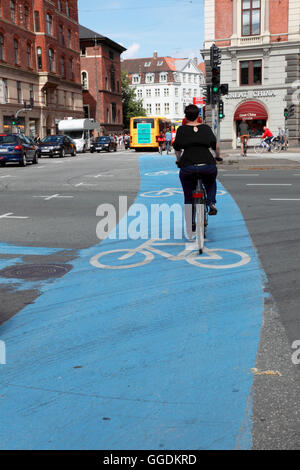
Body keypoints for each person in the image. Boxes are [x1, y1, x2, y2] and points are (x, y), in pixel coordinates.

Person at [173, 104, 220, 239]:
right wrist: (217, 156)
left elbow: (177, 148)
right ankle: (211, 203)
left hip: (188, 167)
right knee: (211, 182)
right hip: (207, 165)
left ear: (185, 116)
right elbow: (215, 145)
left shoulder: (181, 130)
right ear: (199, 116)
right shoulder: (206, 128)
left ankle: (191, 224)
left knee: (188, 196)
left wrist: (179, 160)